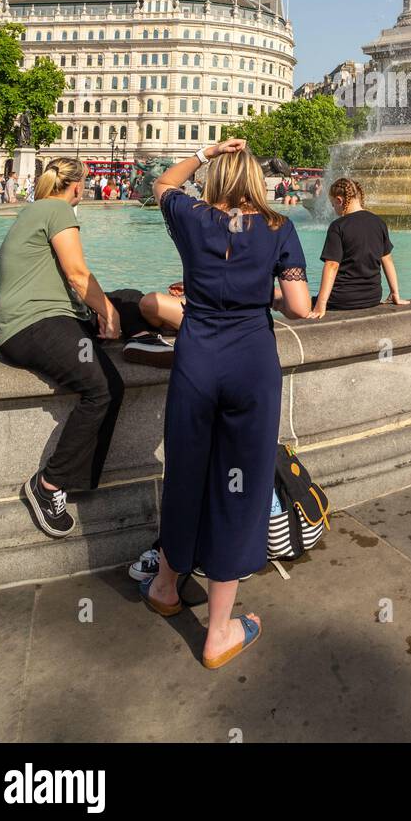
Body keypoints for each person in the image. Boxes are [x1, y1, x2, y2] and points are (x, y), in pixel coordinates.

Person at [142, 139, 311, 669]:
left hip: (197, 360)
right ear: (259, 184)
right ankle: (218, 632)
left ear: (215, 179)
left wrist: (204, 151)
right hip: (251, 365)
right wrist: (261, 292)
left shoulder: (192, 216)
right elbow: (300, 308)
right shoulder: (280, 228)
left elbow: (163, 185)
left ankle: (167, 587)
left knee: (186, 472)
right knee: (241, 487)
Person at [0, 157, 176, 539]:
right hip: (36, 325)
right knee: (104, 387)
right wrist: (106, 312)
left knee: (129, 297)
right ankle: (48, 485)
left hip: (50, 319)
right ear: (76, 186)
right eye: (86, 183)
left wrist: (110, 308)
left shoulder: (35, 211)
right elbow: (78, 274)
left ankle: (142, 340)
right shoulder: (58, 209)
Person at [309, 177, 408, 318]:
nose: (333, 208)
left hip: (342, 299)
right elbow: (387, 260)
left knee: (296, 302)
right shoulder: (379, 222)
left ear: (339, 200)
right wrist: (395, 294)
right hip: (372, 297)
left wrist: (321, 303)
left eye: (332, 204)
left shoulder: (338, 226)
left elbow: (332, 265)